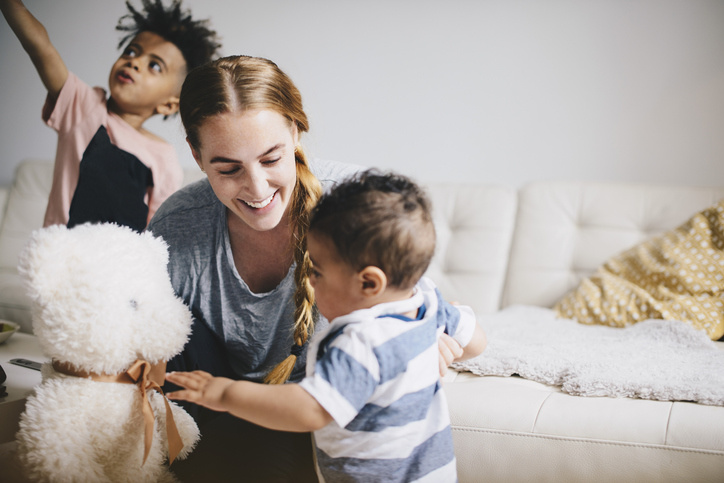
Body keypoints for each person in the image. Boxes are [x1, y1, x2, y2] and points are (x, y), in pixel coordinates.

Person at [147, 55, 473, 482]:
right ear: (196, 153)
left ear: (296, 132)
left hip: (305, 408)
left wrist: (431, 338)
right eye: (228, 169)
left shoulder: (351, 206)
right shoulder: (178, 224)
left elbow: (414, 304)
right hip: (211, 401)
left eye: (270, 159)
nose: (257, 189)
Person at [166, 169, 487, 482]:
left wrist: (224, 394)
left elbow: (309, 410)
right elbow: (476, 343)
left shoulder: (360, 342)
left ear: (369, 283)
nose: (308, 279)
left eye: (317, 272)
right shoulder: (428, 301)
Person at [0, 0, 220, 231]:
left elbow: (156, 231)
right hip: (58, 257)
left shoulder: (163, 157)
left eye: (154, 65)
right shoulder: (84, 107)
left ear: (168, 104)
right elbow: (40, 48)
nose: (134, 62)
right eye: (131, 51)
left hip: (118, 263)